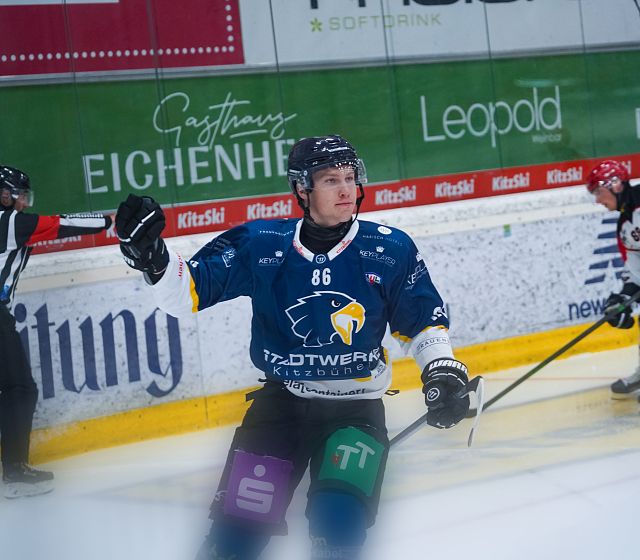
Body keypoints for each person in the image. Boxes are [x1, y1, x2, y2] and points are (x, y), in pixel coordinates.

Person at [115, 135, 472, 560]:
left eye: (349, 178)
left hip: (355, 412)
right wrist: (152, 256)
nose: (346, 190)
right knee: (236, 536)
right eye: (330, 180)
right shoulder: (261, 244)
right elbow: (185, 293)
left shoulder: (389, 248)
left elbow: (422, 322)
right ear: (302, 190)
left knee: (339, 523)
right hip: (280, 409)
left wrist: (442, 368)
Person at [0, 165, 112, 498]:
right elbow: (61, 224)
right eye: (18, 196)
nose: (23, 203)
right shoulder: (8, 222)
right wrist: (110, 221)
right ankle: (15, 473)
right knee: (20, 389)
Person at [587, 159, 640, 399]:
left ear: (616, 185)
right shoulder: (624, 224)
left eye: (599, 191)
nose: (597, 199)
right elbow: (635, 270)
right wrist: (623, 298)